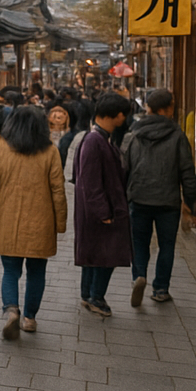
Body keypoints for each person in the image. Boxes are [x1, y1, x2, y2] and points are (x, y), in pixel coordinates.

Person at [0, 107, 67, 339]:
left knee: (10, 270)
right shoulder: (50, 151)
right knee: (37, 271)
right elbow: (58, 190)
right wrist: (60, 222)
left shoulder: (0, 148)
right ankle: (29, 318)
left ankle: (11, 310)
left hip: (7, 220)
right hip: (41, 222)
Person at [124, 88, 196, 305]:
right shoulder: (177, 135)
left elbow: (124, 167)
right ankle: (160, 289)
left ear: (148, 108)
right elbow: (187, 171)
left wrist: (123, 197)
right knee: (166, 245)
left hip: (138, 196)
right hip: (168, 200)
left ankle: (138, 275)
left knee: (139, 242)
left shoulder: (135, 133)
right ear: (167, 108)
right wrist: (191, 202)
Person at [73, 93, 133, 316]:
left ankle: (89, 294)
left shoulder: (99, 138)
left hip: (100, 210)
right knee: (105, 255)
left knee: (94, 254)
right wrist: (103, 212)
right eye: (123, 115)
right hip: (101, 212)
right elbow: (90, 181)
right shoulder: (94, 141)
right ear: (117, 115)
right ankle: (95, 296)